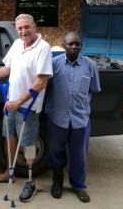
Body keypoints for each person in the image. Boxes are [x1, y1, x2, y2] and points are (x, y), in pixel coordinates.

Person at [0, 14, 52, 202]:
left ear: (34, 27)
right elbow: (6, 68)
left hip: (28, 106)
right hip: (10, 104)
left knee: (28, 144)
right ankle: (6, 173)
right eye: (20, 28)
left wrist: (19, 102)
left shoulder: (43, 48)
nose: (23, 31)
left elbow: (42, 81)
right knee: (9, 138)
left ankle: (30, 181)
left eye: (27, 27)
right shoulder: (18, 45)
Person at [44, 32, 101, 203]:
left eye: (77, 44)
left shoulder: (90, 65)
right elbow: (45, 88)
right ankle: (57, 181)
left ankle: (78, 186)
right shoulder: (53, 64)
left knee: (79, 155)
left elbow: (94, 89)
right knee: (55, 152)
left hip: (80, 119)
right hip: (57, 118)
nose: (74, 47)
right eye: (70, 44)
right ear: (63, 44)